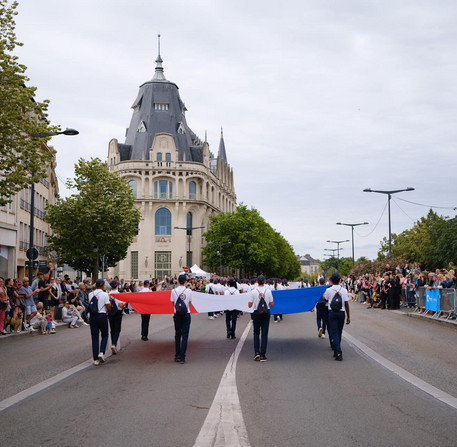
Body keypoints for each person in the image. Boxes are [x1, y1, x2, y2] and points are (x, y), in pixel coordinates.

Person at [324, 272, 350, 361]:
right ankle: (336, 350)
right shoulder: (344, 290)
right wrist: (348, 316)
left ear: (331, 280)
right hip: (341, 313)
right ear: (339, 280)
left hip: (332, 312)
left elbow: (325, 299)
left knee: (334, 332)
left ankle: (338, 352)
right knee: (339, 332)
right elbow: (346, 303)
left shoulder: (328, 290)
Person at [248, 275, 274, 362]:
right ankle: (263, 355)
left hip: (256, 313)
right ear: (265, 281)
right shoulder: (268, 291)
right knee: (264, 333)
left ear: (257, 282)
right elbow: (271, 304)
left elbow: (250, 305)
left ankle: (256, 353)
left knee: (256, 332)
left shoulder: (253, 291)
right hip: (266, 313)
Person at [170, 274, 192, 364]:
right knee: (185, 335)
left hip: (177, 314)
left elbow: (172, 303)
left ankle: (177, 355)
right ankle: (183, 357)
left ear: (178, 281)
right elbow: (190, 303)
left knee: (177, 335)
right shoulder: (189, 291)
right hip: (186, 314)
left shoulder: (173, 291)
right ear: (186, 282)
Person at [89, 278, 111, 366]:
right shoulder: (105, 294)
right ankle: (101, 352)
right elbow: (108, 307)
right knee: (105, 334)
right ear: (102, 285)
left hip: (93, 316)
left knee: (94, 337)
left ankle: (95, 359)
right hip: (101, 315)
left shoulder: (91, 294)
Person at [108, 280, 125, 354]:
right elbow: (121, 305)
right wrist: (126, 301)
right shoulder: (118, 294)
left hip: (110, 311)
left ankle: (112, 343)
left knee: (112, 328)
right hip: (118, 312)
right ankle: (114, 344)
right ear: (117, 286)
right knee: (117, 329)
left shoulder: (108, 294)